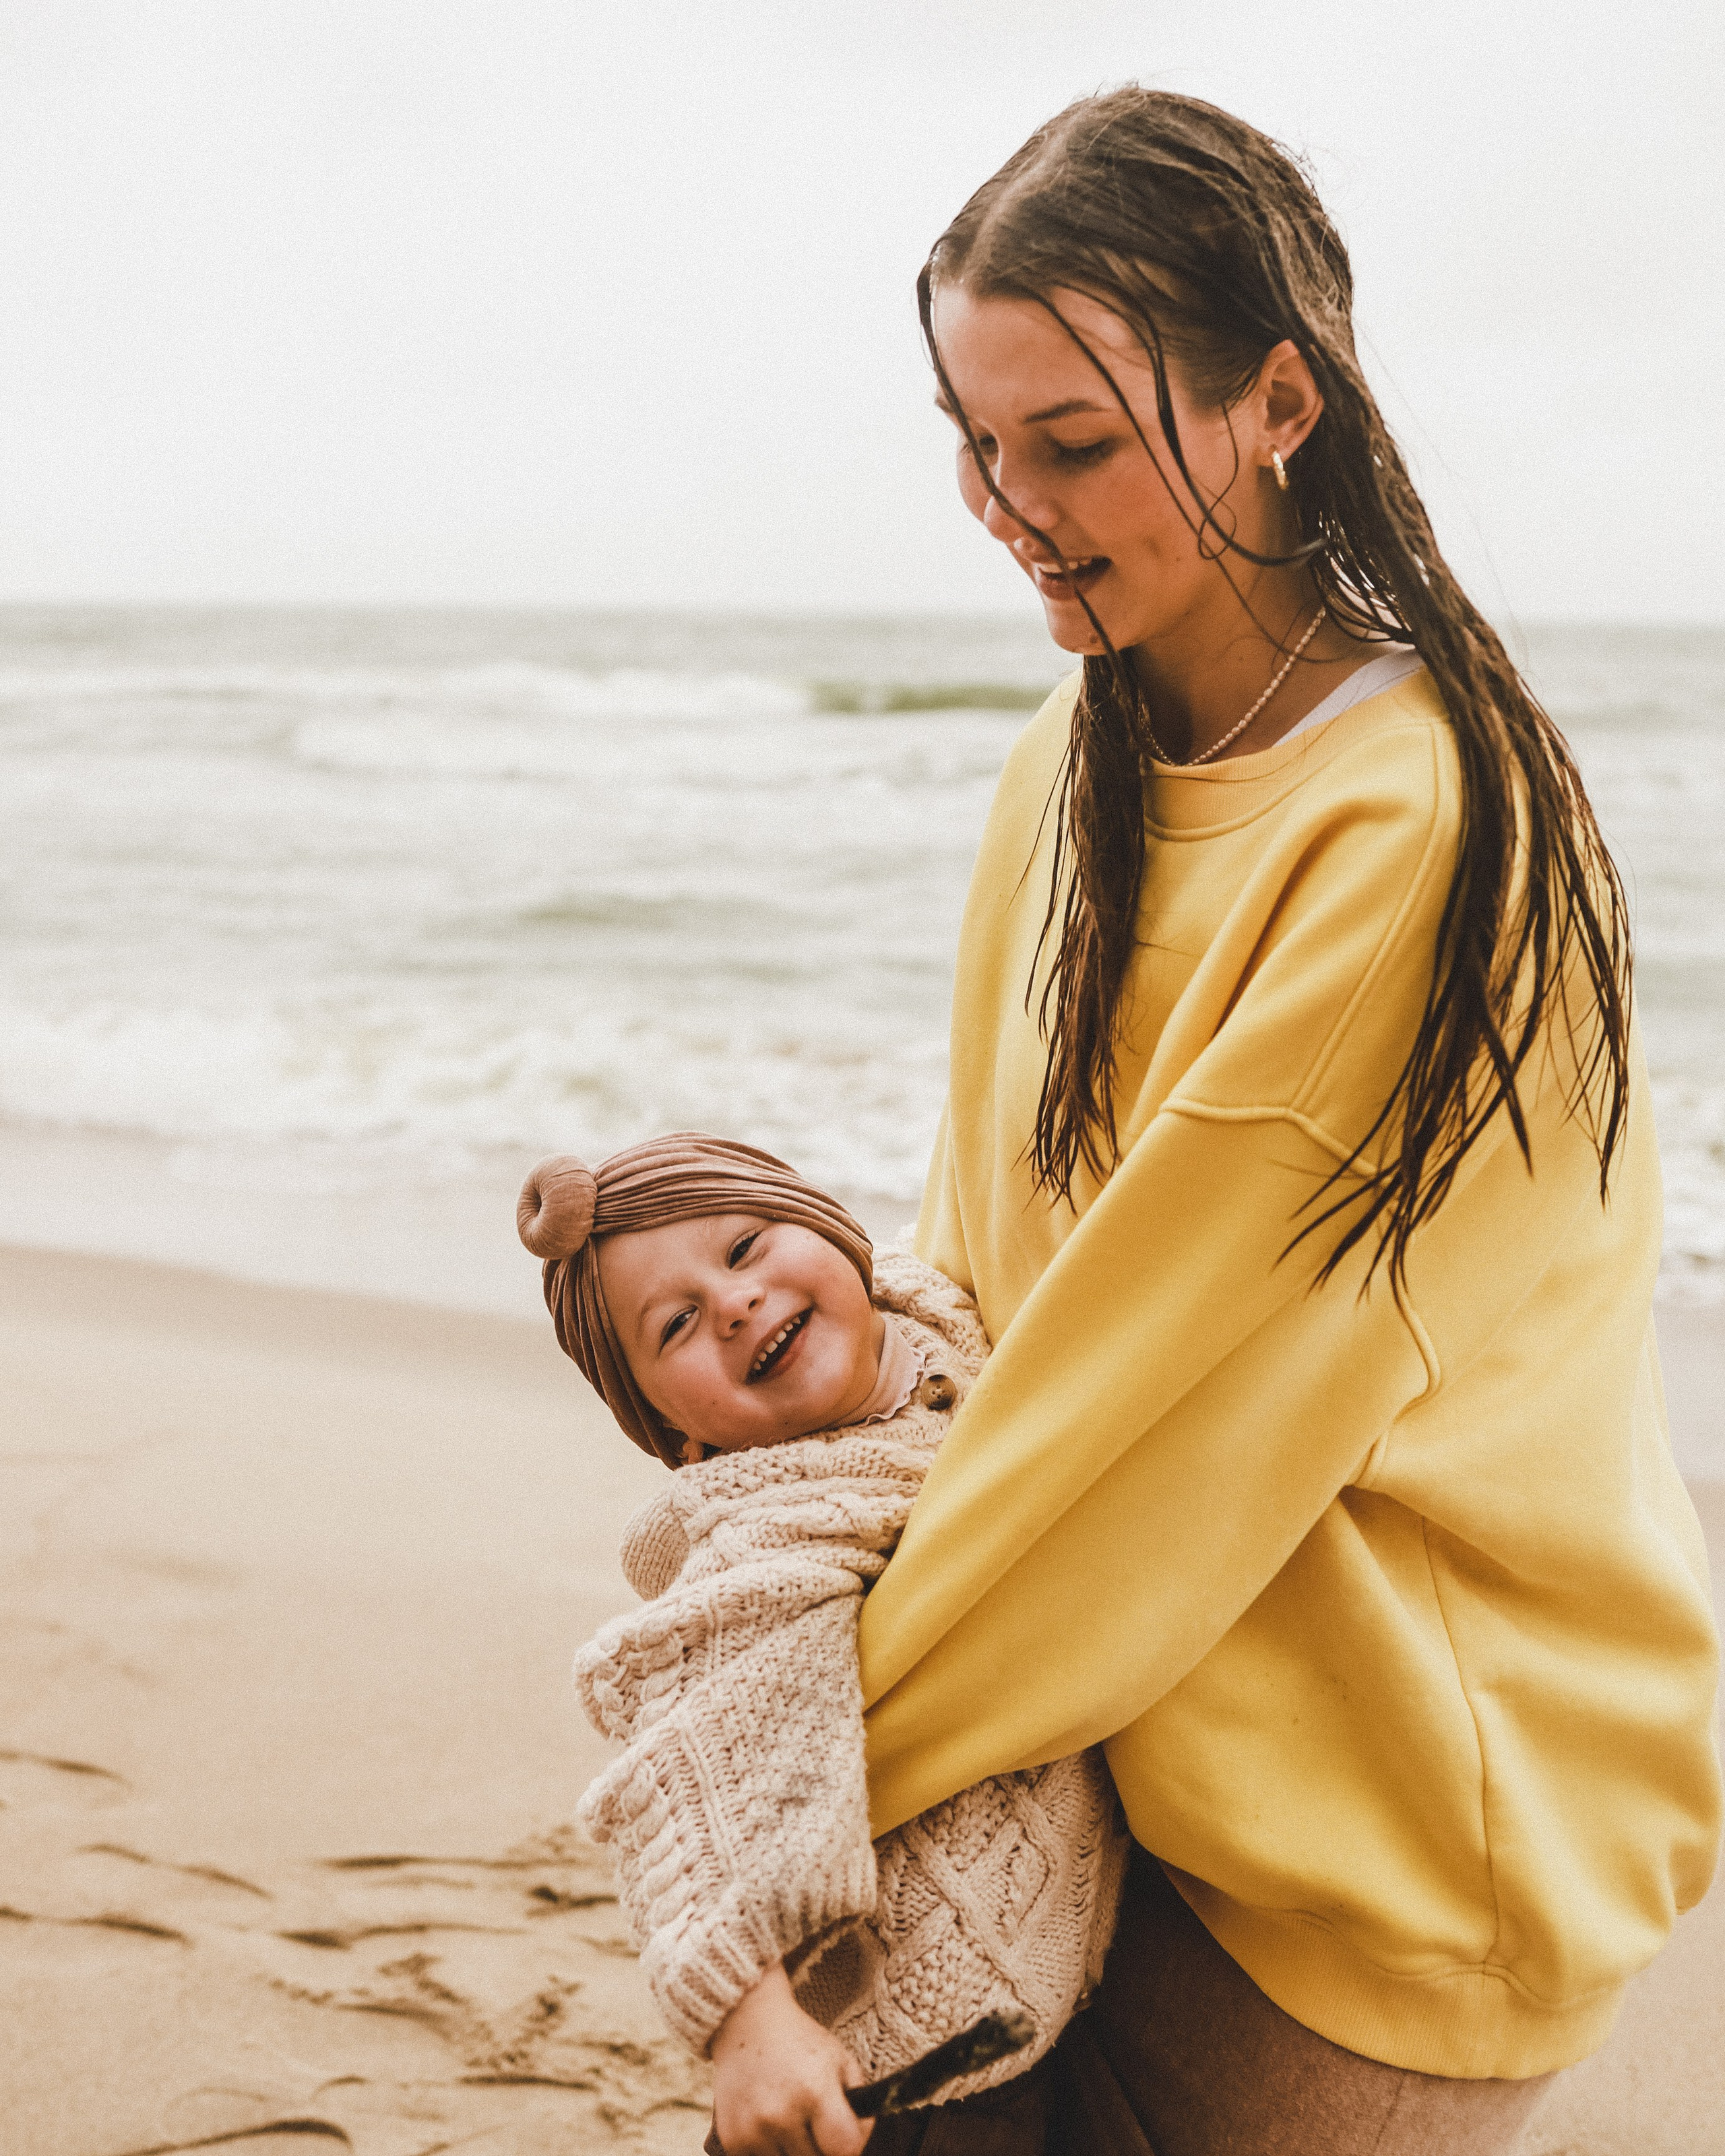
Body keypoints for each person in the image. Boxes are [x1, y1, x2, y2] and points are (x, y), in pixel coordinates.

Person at [843, 87, 1723, 2155]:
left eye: (1073, 442)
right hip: (1092, 1738)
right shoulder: (1082, 747)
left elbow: (1161, 1409)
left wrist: (811, 1759)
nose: (1014, 503)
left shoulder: (1418, 829)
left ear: (1279, 404)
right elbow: (990, 1277)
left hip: (1377, 1831)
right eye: (978, 441)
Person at [516, 1135, 1125, 2156]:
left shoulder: (959, 1318)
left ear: (840, 1239)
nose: (734, 1304)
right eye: (676, 1327)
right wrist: (747, 2022)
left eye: (747, 1246)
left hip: (1057, 1988)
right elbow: (709, 1765)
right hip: (897, 2074)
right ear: (678, 1436)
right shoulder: (782, 1529)